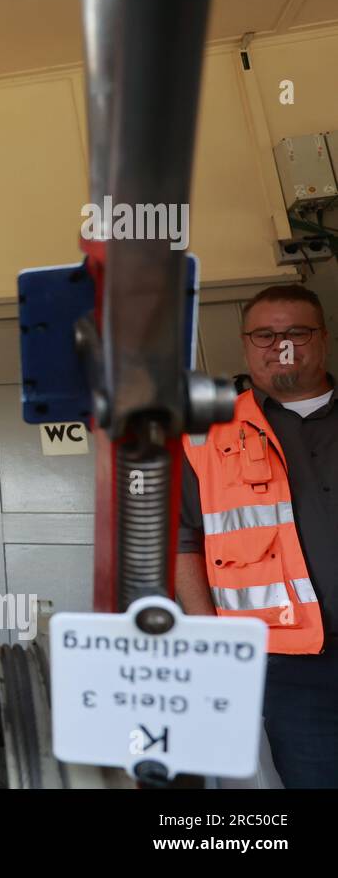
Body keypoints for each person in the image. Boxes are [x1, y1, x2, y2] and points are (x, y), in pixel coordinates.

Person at [176, 283, 337, 787]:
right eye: (265, 335)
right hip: (288, 663)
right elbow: (180, 540)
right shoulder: (205, 431)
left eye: (296, 332)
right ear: (246, 344)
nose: (280, 344)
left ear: (324, 338)